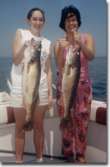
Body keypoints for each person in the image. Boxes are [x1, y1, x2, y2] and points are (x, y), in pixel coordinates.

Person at [10, 7, 52, 163]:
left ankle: (39, 159)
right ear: (28, 20)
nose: (38, 22)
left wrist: (50, 93)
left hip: (40, 89)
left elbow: (48, 70)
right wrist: (25, 46)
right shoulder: (20, 33)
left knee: (39, 127)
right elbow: (15, 60)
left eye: (41, 19)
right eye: (34, 18)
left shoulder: (47, 43)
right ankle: (19, 161)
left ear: (44, 22)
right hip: (20, 89)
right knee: (20, 127)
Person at [54, 5, 95, 163]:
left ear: (78, 21)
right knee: (66, 120)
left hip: (83, 88)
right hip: (64, 86)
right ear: (63, 23)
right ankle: (68, 153)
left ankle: (81, 154)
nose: (72, 23)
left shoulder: (87, 37)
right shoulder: (58, 43)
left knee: (82, 121)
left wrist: (81, 44)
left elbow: (90, 56)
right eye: (68, 20)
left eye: (74, 19)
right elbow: (59, 66)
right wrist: (59, 51)